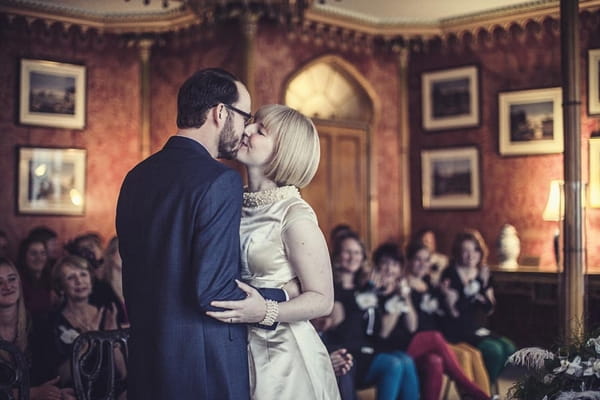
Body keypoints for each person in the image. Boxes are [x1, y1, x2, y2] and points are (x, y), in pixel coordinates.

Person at [116, 68, 287, 400]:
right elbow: (214, 293)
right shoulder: (219, 180)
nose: (245, 129)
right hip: (203, 368)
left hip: (146, 363)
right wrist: (281, 296)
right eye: (244, 116)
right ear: (220, 113)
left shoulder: (135, 177)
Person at [206, 104, 340, 399]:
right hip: (231, 347)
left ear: (282, 153)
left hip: (283, 358)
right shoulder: (232, 198)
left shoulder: (294, 216)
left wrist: (267, 310)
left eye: (260, 130)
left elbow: (323, 299)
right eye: (252, 123)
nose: (247, 129)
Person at [372, 242, 490, 400]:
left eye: (394, 264)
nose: (389, 269)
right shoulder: (373, 289)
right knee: (435, 337)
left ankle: (477, 393)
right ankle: (476, 393)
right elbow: (384, 333)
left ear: (400, 267)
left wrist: (404, 296)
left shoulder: (403, 287)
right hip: (390, 347)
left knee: (435, 361)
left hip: (408, 342)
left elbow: (411, 325)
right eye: (385, 263)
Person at [323, 232, 419, 400]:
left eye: (357, 252)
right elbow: (337, 322)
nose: (352, 257)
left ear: (363, 256)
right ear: (337, 255)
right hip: (346, 353)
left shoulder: (365, 286)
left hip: (367, 352)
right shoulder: (332, 287)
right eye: (347, 252)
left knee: (401, 361)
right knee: (393, 363)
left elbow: (379, 329)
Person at [404, 240, 491, 396]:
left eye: (426, 260)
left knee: (466, 355)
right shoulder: (403, 286)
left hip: (437, 342)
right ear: (409, 261)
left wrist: (446, 297)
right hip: (414, 341)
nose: (422, 264)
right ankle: (475, 393)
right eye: (418, 259)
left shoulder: (429, 283)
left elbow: (442, 315)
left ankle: (485, 393)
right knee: (460, 353)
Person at [440, 229, 516, 384]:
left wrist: (483, 287)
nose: (471, 255)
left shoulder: (483, 274)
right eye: (465, 251)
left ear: (480, 251)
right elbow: (453, 312)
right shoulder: (450, 274)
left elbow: (490, 309)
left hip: (478, 329)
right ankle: (481, 389)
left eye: (474, 249)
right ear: (457, 253)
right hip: (457, 330)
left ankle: (484, 385)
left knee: (509, 348)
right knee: (493, 350)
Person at [47, 255, 125, 394]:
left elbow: (124, 373)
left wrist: (112, 341)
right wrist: (86, 344)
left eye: (83, 274)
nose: (79, 281)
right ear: (61, 287)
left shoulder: (107, 313)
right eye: (70, 277)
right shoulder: (52, 322)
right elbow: (61, 378)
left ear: (91, 278)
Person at [0, 257, 76, 400]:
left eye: (11, 279)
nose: (7, 286)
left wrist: (58, 393)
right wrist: (31, 393)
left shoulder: (39, 324)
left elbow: (51, 373)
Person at [16, 237, 55, 316]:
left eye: (43, 253)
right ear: (24, 256)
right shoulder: (17, 282)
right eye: (33, 253)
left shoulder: (51, 278)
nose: (39, 258)